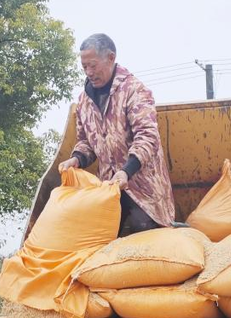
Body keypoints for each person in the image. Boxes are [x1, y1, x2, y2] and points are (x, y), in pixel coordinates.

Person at [58, 33, 176, 236]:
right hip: (108, 190)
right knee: (96, 236)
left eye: (93, 65)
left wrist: (126, 171)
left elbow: (147, 136)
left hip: (144, 191)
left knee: (143, 231)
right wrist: (77, 159)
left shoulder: (134, 91)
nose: (88, 72)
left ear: (111, 58)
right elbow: (85, 141)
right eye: (84, 67)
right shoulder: (84, 102)